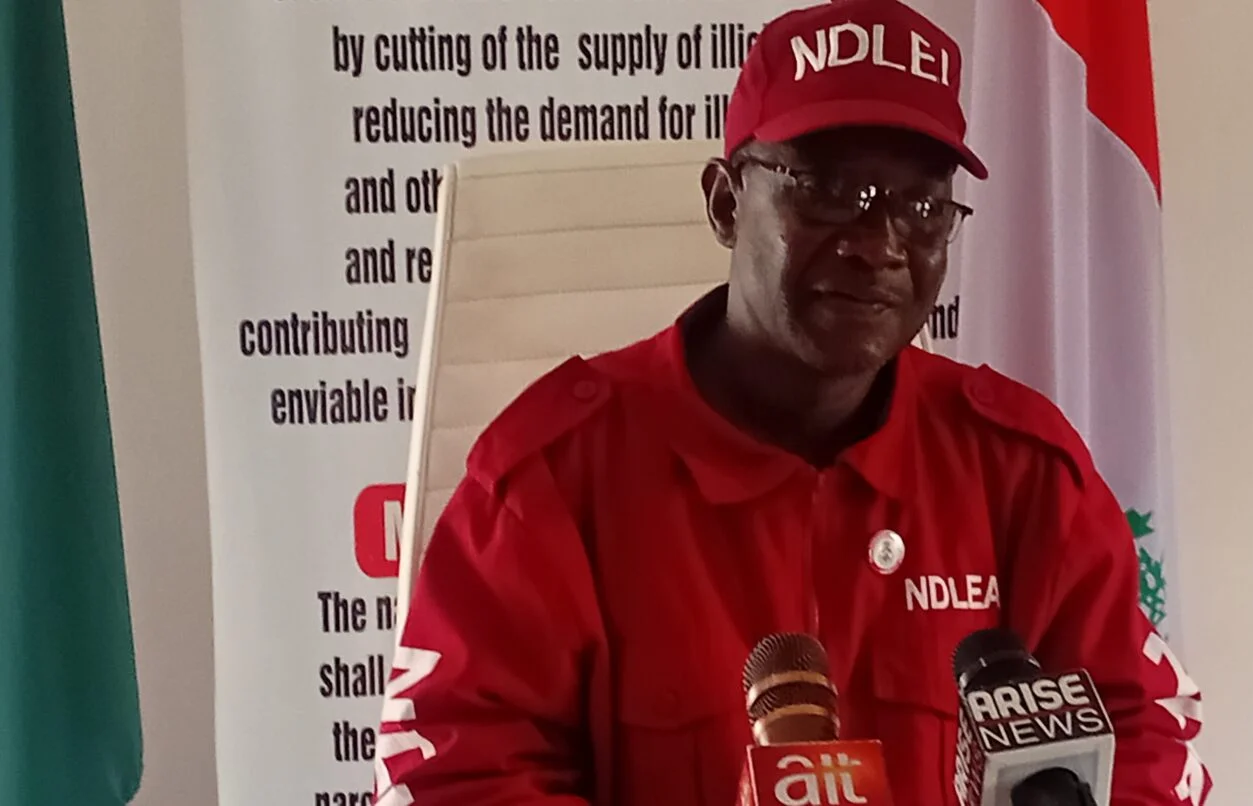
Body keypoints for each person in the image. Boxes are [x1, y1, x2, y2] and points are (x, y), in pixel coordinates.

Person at [373, 1, 1209, 805]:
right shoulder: (553, 478)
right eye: (829, 191)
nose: (879, 245)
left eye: (923, 207)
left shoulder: (1022, 473)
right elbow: (452, 779)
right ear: (726, 203)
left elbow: (1146, 741)